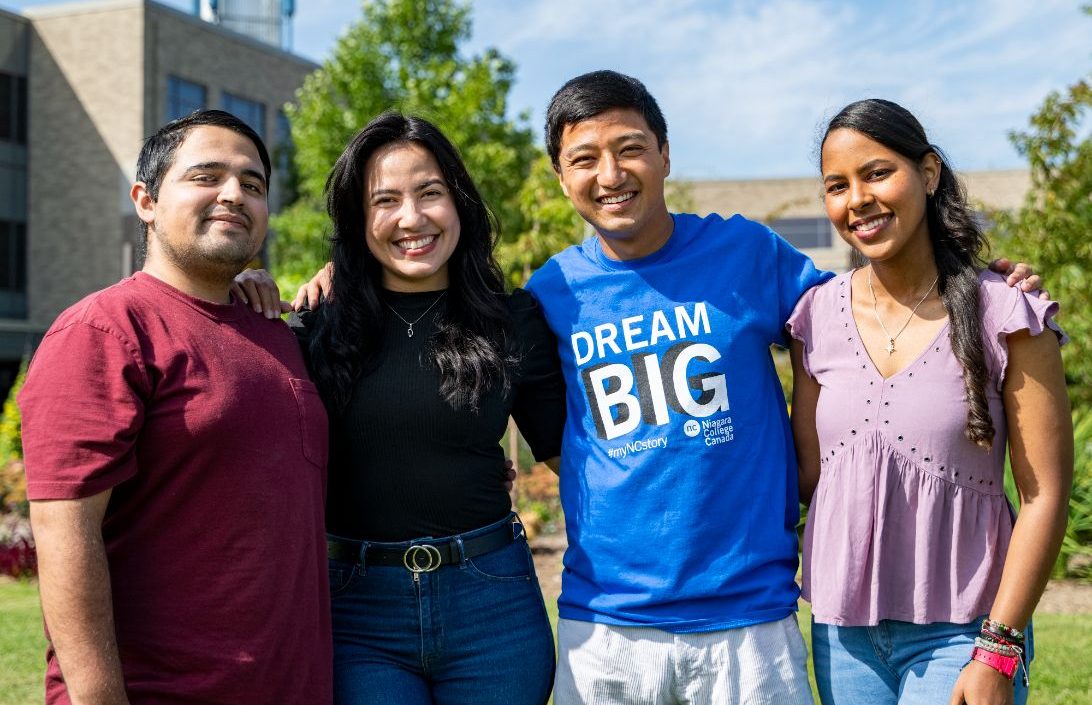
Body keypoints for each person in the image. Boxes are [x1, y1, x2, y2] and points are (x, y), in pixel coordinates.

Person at [284, 73, 1042, 705]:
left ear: (666, 153)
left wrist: (974, 281)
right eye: (585, 158)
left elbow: (868, 307)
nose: (609, 175)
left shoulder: (749, 253)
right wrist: (337, 281)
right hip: (606, 626)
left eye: (629, 149)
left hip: (750, 621)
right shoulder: (549, 295)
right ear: (560, 175)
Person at [19, 110, 332, 704]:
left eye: (254, 184)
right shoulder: (103, 332)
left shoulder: (279, 333)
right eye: (206, 176)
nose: (234, 195)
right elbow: (65, 536)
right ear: (146, 200)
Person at [787, 99, 1072, 705]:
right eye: (836, 186)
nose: (856, 199)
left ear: (929, 173)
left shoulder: (1006, 312)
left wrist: (998, 649)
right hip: (843, 636)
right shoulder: (814, 318)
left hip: (965, 634)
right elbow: (807, 478)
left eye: (877, 172)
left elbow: (1046, 495)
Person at [292, 112, 562, 705]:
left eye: (430, 193)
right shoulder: (314, 327)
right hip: (357, 610)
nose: (411, 218)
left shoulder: (514, 320)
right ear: (358, 221)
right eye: (385, 200)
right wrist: (247, 286)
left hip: (492, 604)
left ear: (459, 202)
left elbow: (579, 464)